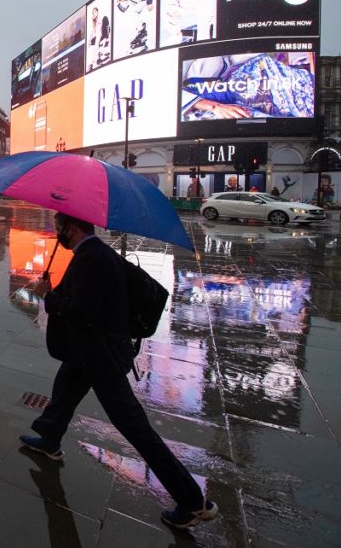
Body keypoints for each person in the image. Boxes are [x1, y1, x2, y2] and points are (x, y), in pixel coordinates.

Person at [21, 212, 218, 530]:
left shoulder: (92, 260)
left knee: (134, 427)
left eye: (59, 228)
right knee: (67, 385)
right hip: (88, 351)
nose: (58, 234)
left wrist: (49, 297)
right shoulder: (95, 253)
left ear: (72, 229)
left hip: (101, 357)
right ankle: (49, 436)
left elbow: (82, 312)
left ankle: (193, 501)